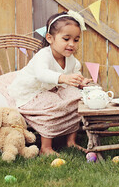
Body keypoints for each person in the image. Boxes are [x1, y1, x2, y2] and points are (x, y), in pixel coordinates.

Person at [7, 10, 92, 156]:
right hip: (31, 93)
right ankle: (46, 147)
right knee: (53, 105)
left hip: (51, 89)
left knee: (78, 98)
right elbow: (42, 74)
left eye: (76, 40)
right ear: (50, 38)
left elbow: (74, 73)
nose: (72, 44)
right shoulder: (43, 55)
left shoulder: (71, 59)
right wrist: (63, 78)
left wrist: (81, 81)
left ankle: (71, 141)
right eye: (66, 39)